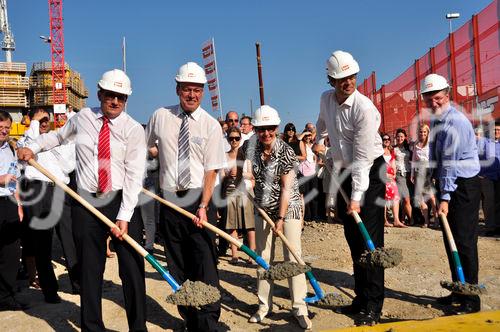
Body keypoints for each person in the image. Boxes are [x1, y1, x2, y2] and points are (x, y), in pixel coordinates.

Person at [18, 69, 147, 331]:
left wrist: (123, 216)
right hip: (86, 202)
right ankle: (91, 326)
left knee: (132, 269)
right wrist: (35, 147)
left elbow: (135, 177)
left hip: (122, 201)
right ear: (99, 94)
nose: (115, 101)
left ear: (126, 100)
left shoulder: (134, 130)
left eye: (121, 97)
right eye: (110, 95)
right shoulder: (83, 118)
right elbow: (57, 137)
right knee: (89, 268)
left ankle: (138, 327)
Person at [145, 62, 226, 332]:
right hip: (169, 200)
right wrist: (157, 155)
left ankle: (208, 322)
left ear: (202, 92)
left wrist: (204, 205)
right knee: (177, 264)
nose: (191, 95)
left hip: (198, 200)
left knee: (204, 263)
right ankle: (190, 319)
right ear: (177, 89)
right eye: (186, 89)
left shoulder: (211, 125)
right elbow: (147, 146)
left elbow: (212, 170)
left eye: (196, 90)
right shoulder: (160, 116)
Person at [316, 50, 386, 325]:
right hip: (344, 169)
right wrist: (319, 140)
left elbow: (362, 160)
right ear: (331, 80)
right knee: (353, 238)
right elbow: (322, 121)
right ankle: (360, 298)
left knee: (370, 239)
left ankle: (374, 304)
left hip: (370, 171)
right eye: (342, 78)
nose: (348, 82)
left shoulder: (364, 108)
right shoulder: (325, 99)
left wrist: (357, 198)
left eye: (352, 76)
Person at [242, 105, 312, 330]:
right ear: (255, 129)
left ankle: (299, 307)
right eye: (261, 129)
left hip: (287, 207)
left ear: (277, 128)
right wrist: (245, 180)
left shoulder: (286, 151)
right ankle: (264, 306)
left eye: (270, 128)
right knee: (263, 257)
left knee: (292, 255)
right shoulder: (250, 147)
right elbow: (243, 167)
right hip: (262, 206)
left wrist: (281, 219)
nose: (266, 133)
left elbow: (286, 188)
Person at [422, 73, 481, 314]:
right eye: (428, 98)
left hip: (463, 186)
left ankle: (471, 299)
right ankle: (458, 289)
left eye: (437, 97)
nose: (433, 102)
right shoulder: (438, 119)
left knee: (464, 242)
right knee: (451, 239)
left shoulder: (453, 122)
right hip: (450, 182)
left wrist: (444, 196)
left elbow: (450, 162)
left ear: (447, 95)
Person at [17, 108, 79, 302]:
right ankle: (50, 290)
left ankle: (78, 284)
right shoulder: (24, 139)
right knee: (42, 243)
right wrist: (33, 126)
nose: (44, 123)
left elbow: (68, 163)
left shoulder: (59, 139)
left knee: (69, 239)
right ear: (32, 121)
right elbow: (25, 155)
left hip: (60, 189)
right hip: (37, 190)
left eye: (46, 120)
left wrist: (45, 145)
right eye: (40, 120)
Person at [0, 110, 27, 311]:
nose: (4, 131)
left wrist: (18, 205)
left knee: (10, 253)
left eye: (7, 128)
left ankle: (6, 296)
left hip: (8, 203)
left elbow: (14, 179)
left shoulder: (9, 149)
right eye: (0, 127)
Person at [221, 127, 256, 264]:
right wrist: (228, 174)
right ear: (228, 139)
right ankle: (234, 254)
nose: (234, 141)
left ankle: (251, 254)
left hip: (245, 192)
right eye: (231, 138)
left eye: (236, 138)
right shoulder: (224, 155)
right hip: (230, 191)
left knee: (249, 225)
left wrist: (241, 174)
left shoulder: (246, 156)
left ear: (240, 139)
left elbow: (252, 176)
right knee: (232, 224)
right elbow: (221, 175)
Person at [410, 124, 437, 228]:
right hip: (418, 172)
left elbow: (433, 159)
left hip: (428, 171)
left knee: (431, 197)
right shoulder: (416, 144)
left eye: (424, 132)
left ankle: (436, 220)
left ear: (428, 133)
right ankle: (426, 221)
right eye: (421, 131)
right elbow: (413, 160)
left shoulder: (430, 144)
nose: (422, 133)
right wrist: (412, 174)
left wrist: (434, 174)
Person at [381, 133, 406, 228]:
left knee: (396, 197)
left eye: (388, 139)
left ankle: (396, 220)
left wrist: (394, 173)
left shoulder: (391, 151)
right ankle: (384, 220)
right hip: (382, 177)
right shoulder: (378, 151)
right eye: (384, 139)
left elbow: (393, 163)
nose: (387, 140)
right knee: (384, 199)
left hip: (391, 178)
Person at [394, 128, 413, 225]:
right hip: (399, 175)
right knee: (406, 198)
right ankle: (412, 219)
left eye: (401, 136)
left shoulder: (408, 148)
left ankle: (403, 218)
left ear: (405, 137)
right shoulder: (393, 149)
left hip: (409, 174)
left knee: (406, 197)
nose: (400, 138)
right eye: (398, 136)